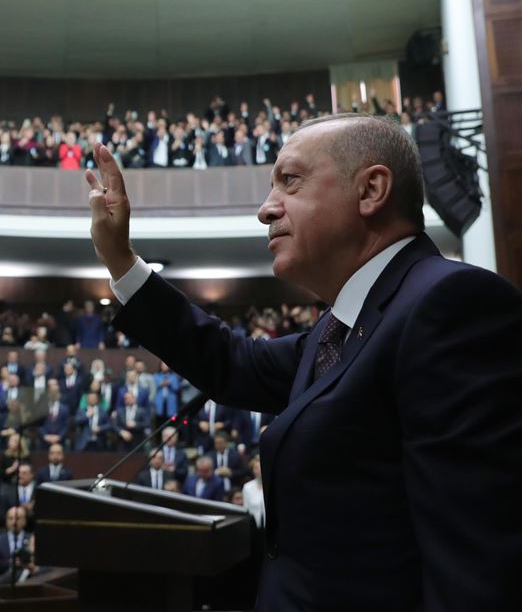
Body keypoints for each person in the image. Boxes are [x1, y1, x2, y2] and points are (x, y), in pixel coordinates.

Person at [89, 115, 522, 607]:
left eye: (289, 181)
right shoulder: (338, 329)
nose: (265, 210)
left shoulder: (450, 305)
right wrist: (121, 262)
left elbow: (475, 570)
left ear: (371, 190)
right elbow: (233, 364)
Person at [0, 507, 31, 582]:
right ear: (6, 521)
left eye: (18, 518)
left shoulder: (32, 540)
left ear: (25, 521)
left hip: (28, 583)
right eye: (11, 518)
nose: (14, 522)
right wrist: (10, 563)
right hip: (1, 584)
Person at [242, 456, 265, 529]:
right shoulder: (247, 487)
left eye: (261, 467)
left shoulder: (272, 485)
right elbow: (246, 508)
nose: (259, 470)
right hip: (254, 527)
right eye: (256, 468)